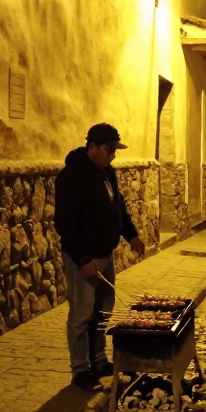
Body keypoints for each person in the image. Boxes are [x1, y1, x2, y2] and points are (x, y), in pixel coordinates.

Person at [55, 123, 146, 390]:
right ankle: (80, 370)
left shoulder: (107, 173)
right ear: (92, 146)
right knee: (81, 316)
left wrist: (131, 235)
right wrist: (83, 259)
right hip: (84, 258)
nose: (113, 155)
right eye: (109, 150)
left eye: (114, 150)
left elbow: (118, 207)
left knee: (103, 311)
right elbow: (65, 224)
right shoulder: (72, 177)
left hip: (105, 254)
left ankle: (98, 360)